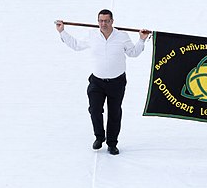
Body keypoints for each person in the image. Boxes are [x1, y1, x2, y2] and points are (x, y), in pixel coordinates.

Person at [55, 10, 151, 155]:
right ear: (97, 21)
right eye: (101, 21)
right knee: (94, 110)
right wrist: (62, 32)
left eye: (106, 21)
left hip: (117, 82)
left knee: (114, 113)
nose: (103, 24)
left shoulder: (122, 36)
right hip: (96, 82)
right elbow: (76, 45)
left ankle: (112, 143)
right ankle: (99, 137)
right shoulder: (92, 35)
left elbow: (133, 53)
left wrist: (142, 39)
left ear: (112, 21)